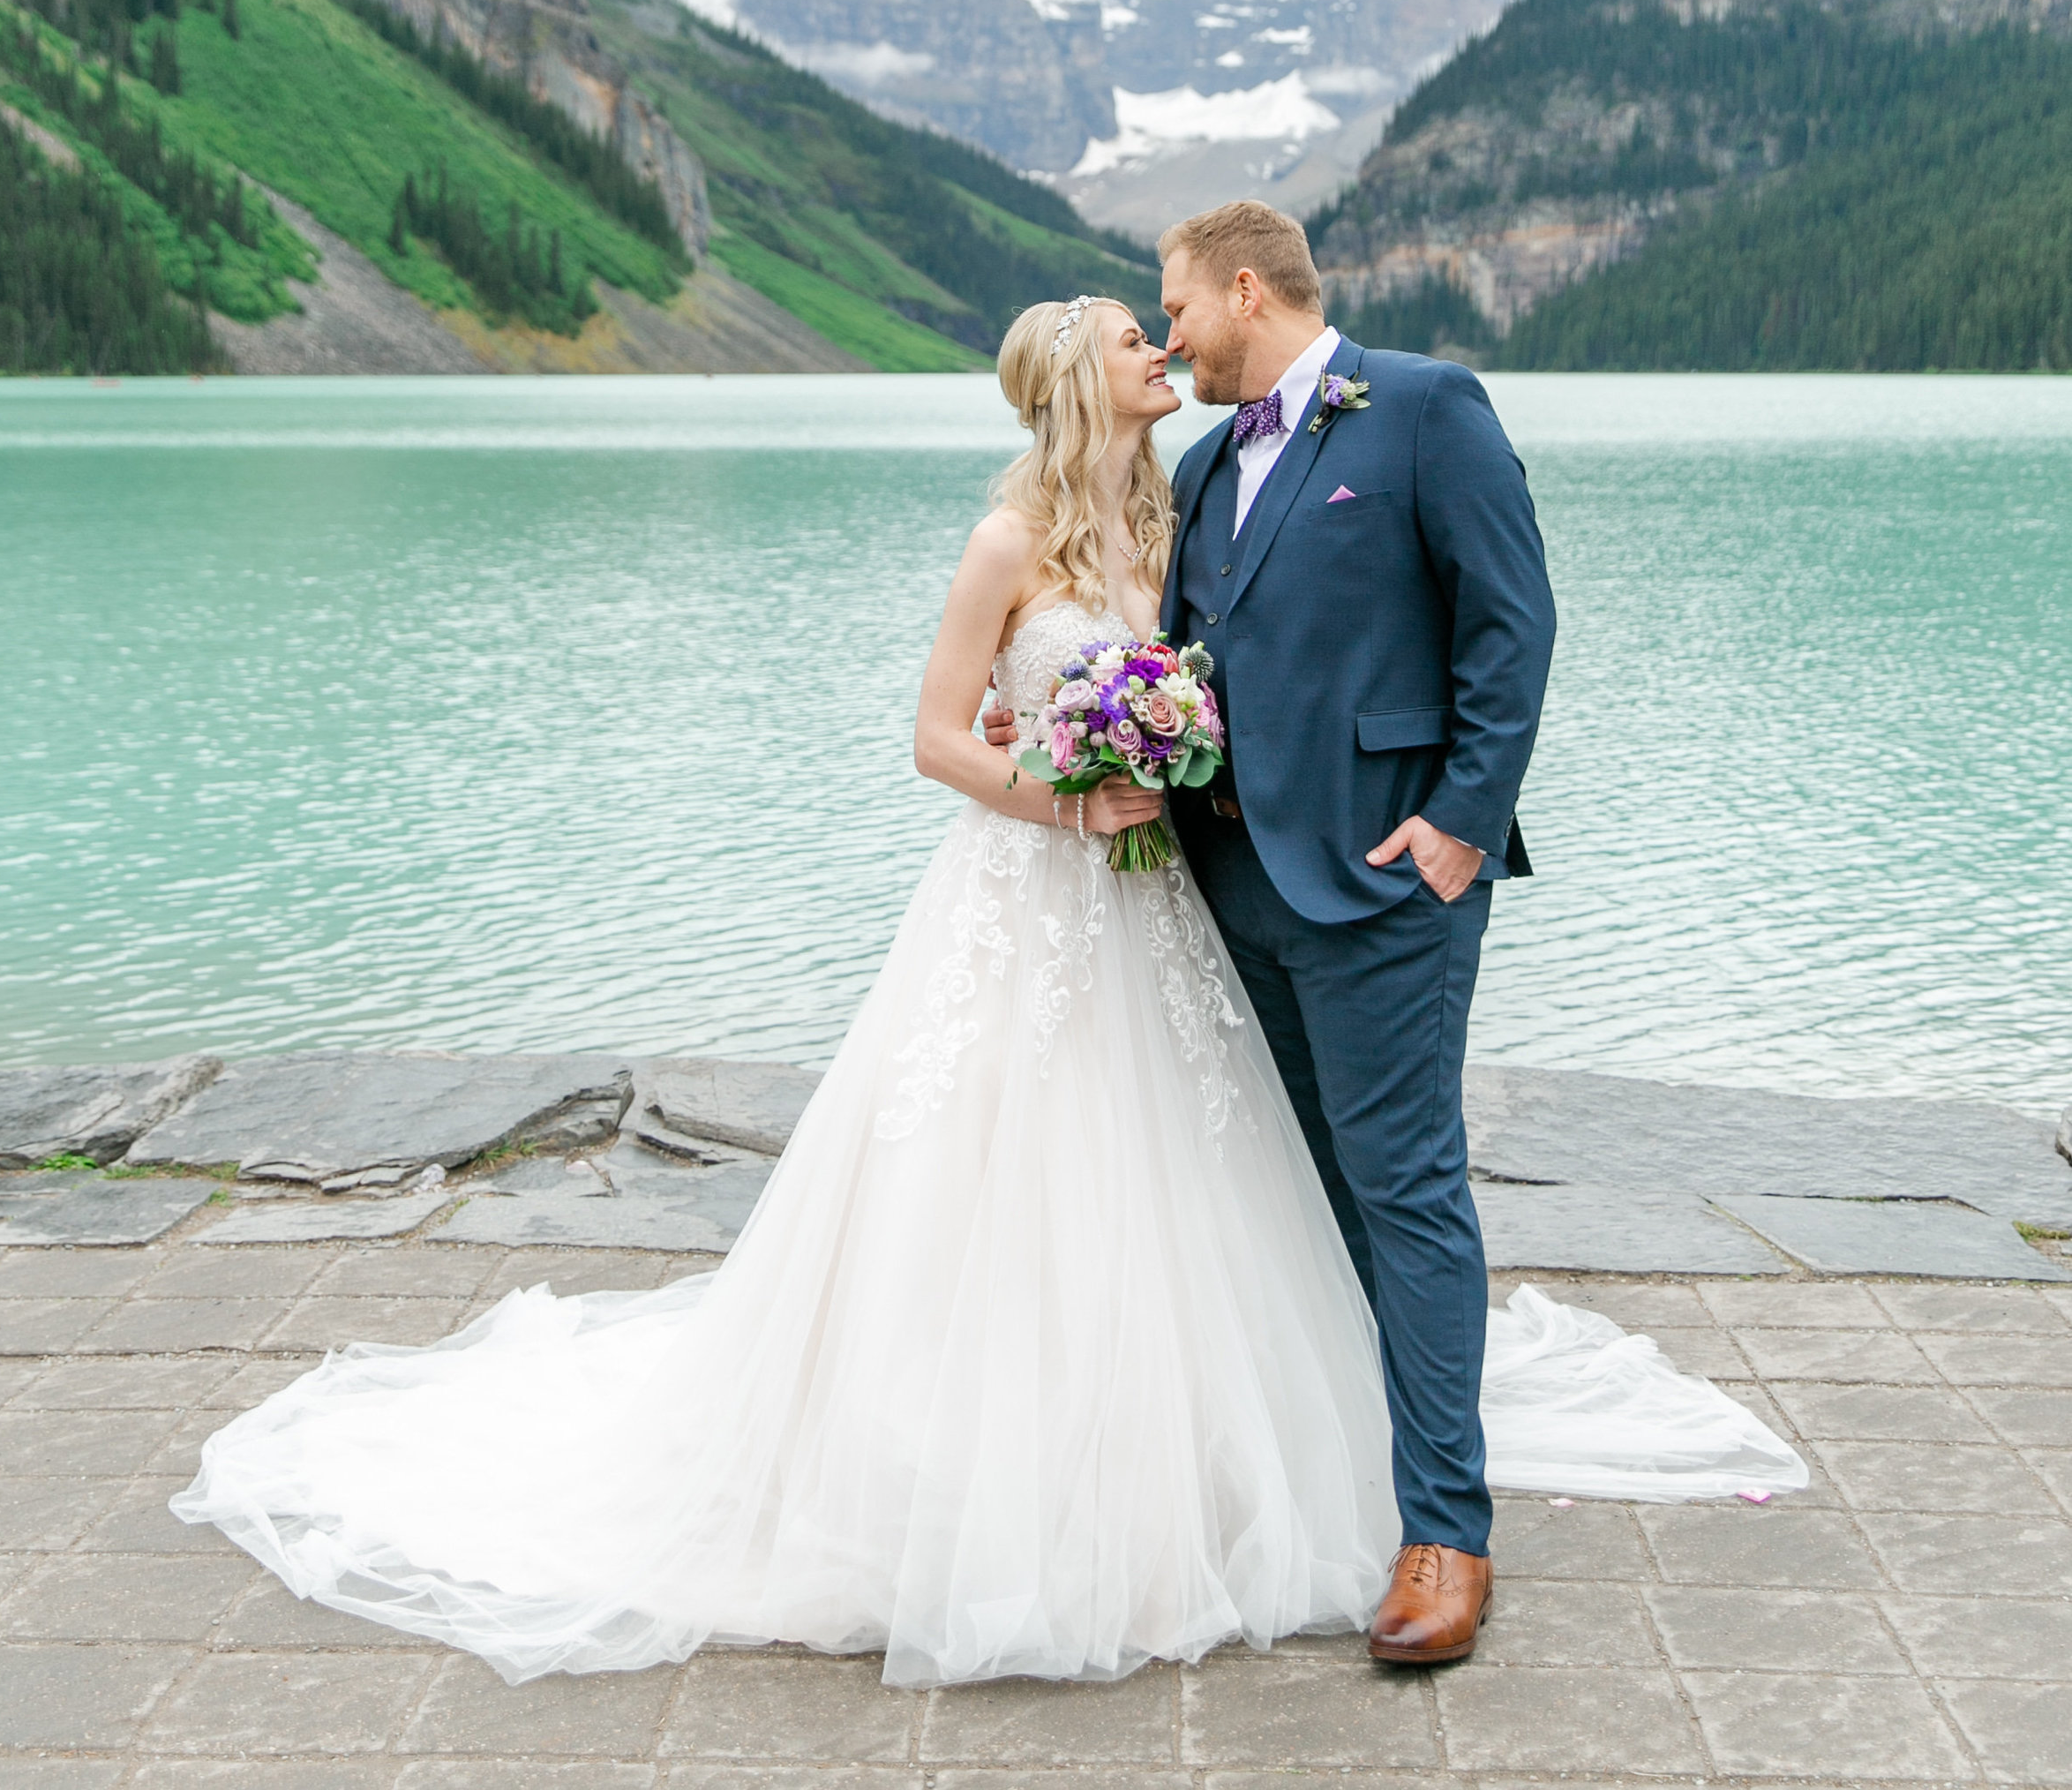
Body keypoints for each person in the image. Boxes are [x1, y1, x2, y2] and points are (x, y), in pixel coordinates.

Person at [174, 290, 1799, 1689]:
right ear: (1077, 382)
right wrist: (1071, 794)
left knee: (1194, 1180)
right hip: (1034, 899)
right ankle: (1002, 1488)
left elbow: (1296, 657)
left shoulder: (1186, 504)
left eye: (1164, 322)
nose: (1161, 345)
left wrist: (1309, 786)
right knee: (1007, 1181)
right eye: (1129, 337)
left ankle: (1295, 1475)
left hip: (1181, 916)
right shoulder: (1010, 535)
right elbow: (940, 736)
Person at [1161, 200, 1554, 1660]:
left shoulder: (1425, 410)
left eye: (1179, 307)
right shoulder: (1202, 466)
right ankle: (1348, 1477)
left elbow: (1513, 623)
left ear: (1244, 288)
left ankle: (1449, 1536)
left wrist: (1460, 820)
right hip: (1234, 887)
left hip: (1392, 882)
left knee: (1406, 1188)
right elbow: (1188, 661)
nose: (1169, 336)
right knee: (1300, 1188)